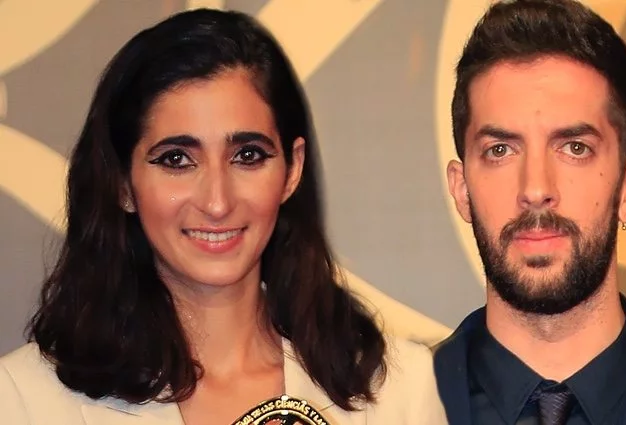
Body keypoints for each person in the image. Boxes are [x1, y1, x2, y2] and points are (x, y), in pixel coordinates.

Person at [0, 8, 447, 425]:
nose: (217, 202)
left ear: (292, 170)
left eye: (247, 155)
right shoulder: (23, 399)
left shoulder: (398, 390)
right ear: (122, 183)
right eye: (177, 159)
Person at [434, 0, 626, 424]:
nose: (536, 189)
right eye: (500, 150)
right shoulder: (386, 410)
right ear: (462, 190)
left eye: (575, 148)